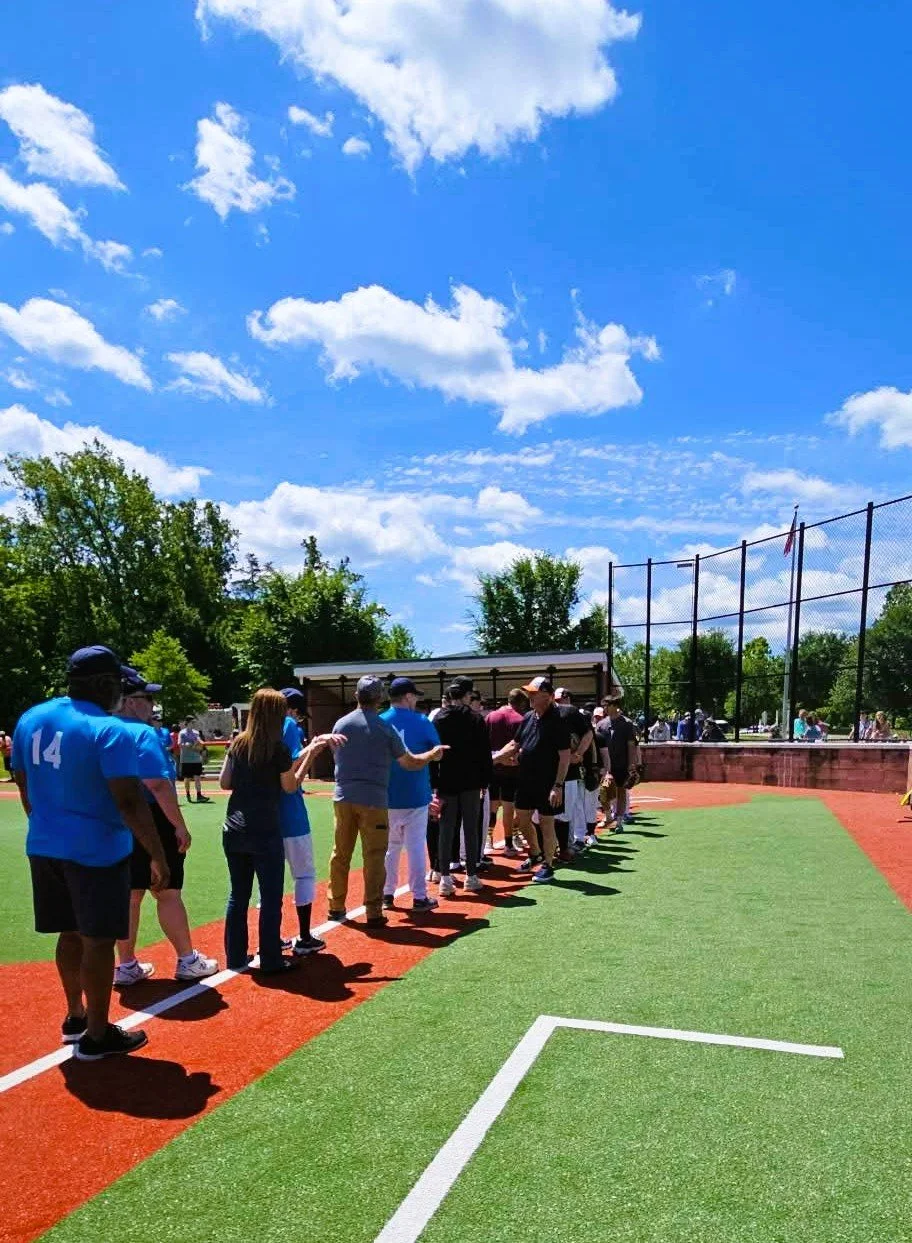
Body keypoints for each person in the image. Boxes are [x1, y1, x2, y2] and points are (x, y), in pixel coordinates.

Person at [10, 645, 169, 1061]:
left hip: (44, 846)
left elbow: (23, 783)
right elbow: (130, 802)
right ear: (103, 683)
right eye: (117, 682)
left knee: (68, 932)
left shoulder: (31, 717)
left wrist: (44, 823)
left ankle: (75, 1015)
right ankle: (98, 1035)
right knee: (99, 941)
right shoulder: (108, 728)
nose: (120, 690)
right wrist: (157, 853)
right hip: (97, 852)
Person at [114, 668, 219, 985]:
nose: (152, 705)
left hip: (115, 820)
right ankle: (187, 960)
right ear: (131, 701)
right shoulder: (141, 733)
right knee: (167, 891)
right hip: (150, 818)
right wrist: (179, 825)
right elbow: (158, 785)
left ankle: (127, 965)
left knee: (130, 896)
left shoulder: (99, 731)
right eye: (148, 697)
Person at [329, 676, 446, 926]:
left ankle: (336, 906)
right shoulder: (384, 727)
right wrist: (432, 755)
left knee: (341, 853)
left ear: (356, 695)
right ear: (379, 697)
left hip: (343, 797)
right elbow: (409, 762)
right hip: (374, 799)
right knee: (375, 854)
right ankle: (374, 910)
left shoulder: (342, 723)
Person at [220, 688, 303, 974]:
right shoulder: (278, 749)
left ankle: (235, 956)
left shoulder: (239, 743)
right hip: (265, 830)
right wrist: (305, 760)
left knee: (238, 895)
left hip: (233, 827)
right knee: (270, 898)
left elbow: (224, 782)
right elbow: (289, 787)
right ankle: (270, 957)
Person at [279, 687, 345, 954]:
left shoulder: (255, 729)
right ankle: (304, 936)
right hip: (290, 814)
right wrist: (315, 748)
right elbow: (293, 772)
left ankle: (268, 938)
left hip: (261, 817)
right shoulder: (288, 725)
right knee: (304, 875)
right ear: (293, 710)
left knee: (267, 881)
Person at [500, 677, 571, 885]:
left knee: (547, 824)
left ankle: (548, 866)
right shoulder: (529, 717)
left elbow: (565, 755)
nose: (529, 696)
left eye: (534, 692)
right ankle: (537, 854)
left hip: (548, 782)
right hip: (526, 779)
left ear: (548, 696)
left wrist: (557, 785)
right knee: (522, 818)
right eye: (529, 692)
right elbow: (515, 743)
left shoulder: (558, 720)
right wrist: (493, 759)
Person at [381, 677, 442, 912]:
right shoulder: (421, 720)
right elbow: (437, 753)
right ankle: (419, 896)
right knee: (416, 846)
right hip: (415, 793)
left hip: (386, 794)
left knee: (390, 847)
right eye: (414, 696)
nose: (416, 700)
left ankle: (387, 894)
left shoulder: (380, 720)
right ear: (407, 697)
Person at [433, 677, 494, 898]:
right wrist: (485, 781)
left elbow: (434, 754)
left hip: (447, 781)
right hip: (471, 781)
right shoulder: (476, 719)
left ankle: (445, 878)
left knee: (446, 829)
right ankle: (471, 875)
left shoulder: (439, 718)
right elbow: (484, 754)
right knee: (471, 828)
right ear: (467, 696)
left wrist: (434, 783)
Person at [485, 688, 528, 858]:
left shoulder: (491, 716)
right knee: (509, 806)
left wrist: (495, 757)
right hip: (512, 769)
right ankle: (509, 842)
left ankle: (488, 839)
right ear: (522, 703)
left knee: (493, 805)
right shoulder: (520, 719)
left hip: (493, 767)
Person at [553, 688, 594, 858]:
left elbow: (589, 734)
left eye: (561, 698)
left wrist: (579, 754)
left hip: (570, 771)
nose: (559, 701)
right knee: (549, 813)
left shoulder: (572, 712)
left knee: (569, 810)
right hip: (548, 771)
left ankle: (568, 844)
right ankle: (553, 847)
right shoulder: (536, 715)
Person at [596, 695, 641, 830]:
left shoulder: (627, 724)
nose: (605, 708)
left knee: (621, 792)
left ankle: (619, 822)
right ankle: (609, 817)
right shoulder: (601, 724)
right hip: (606, 765)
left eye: (607, 705)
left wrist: (632, 766)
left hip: (622, 764)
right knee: (603, 792)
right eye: (604, 706)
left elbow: (631, 745)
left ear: (615, 706)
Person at [178, 719, 210, 803]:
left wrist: (200, 744)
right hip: (186, 759)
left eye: (194, 722)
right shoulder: (182, 733)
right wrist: (188, 744)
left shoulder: (196, 732)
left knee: (197, 778)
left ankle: (199, 795)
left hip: (196, 758)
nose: (193, 724)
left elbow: (200, 741)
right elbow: (180, 744)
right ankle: (188, 794)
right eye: (192, 722)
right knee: (187, 778)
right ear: (187, 723)